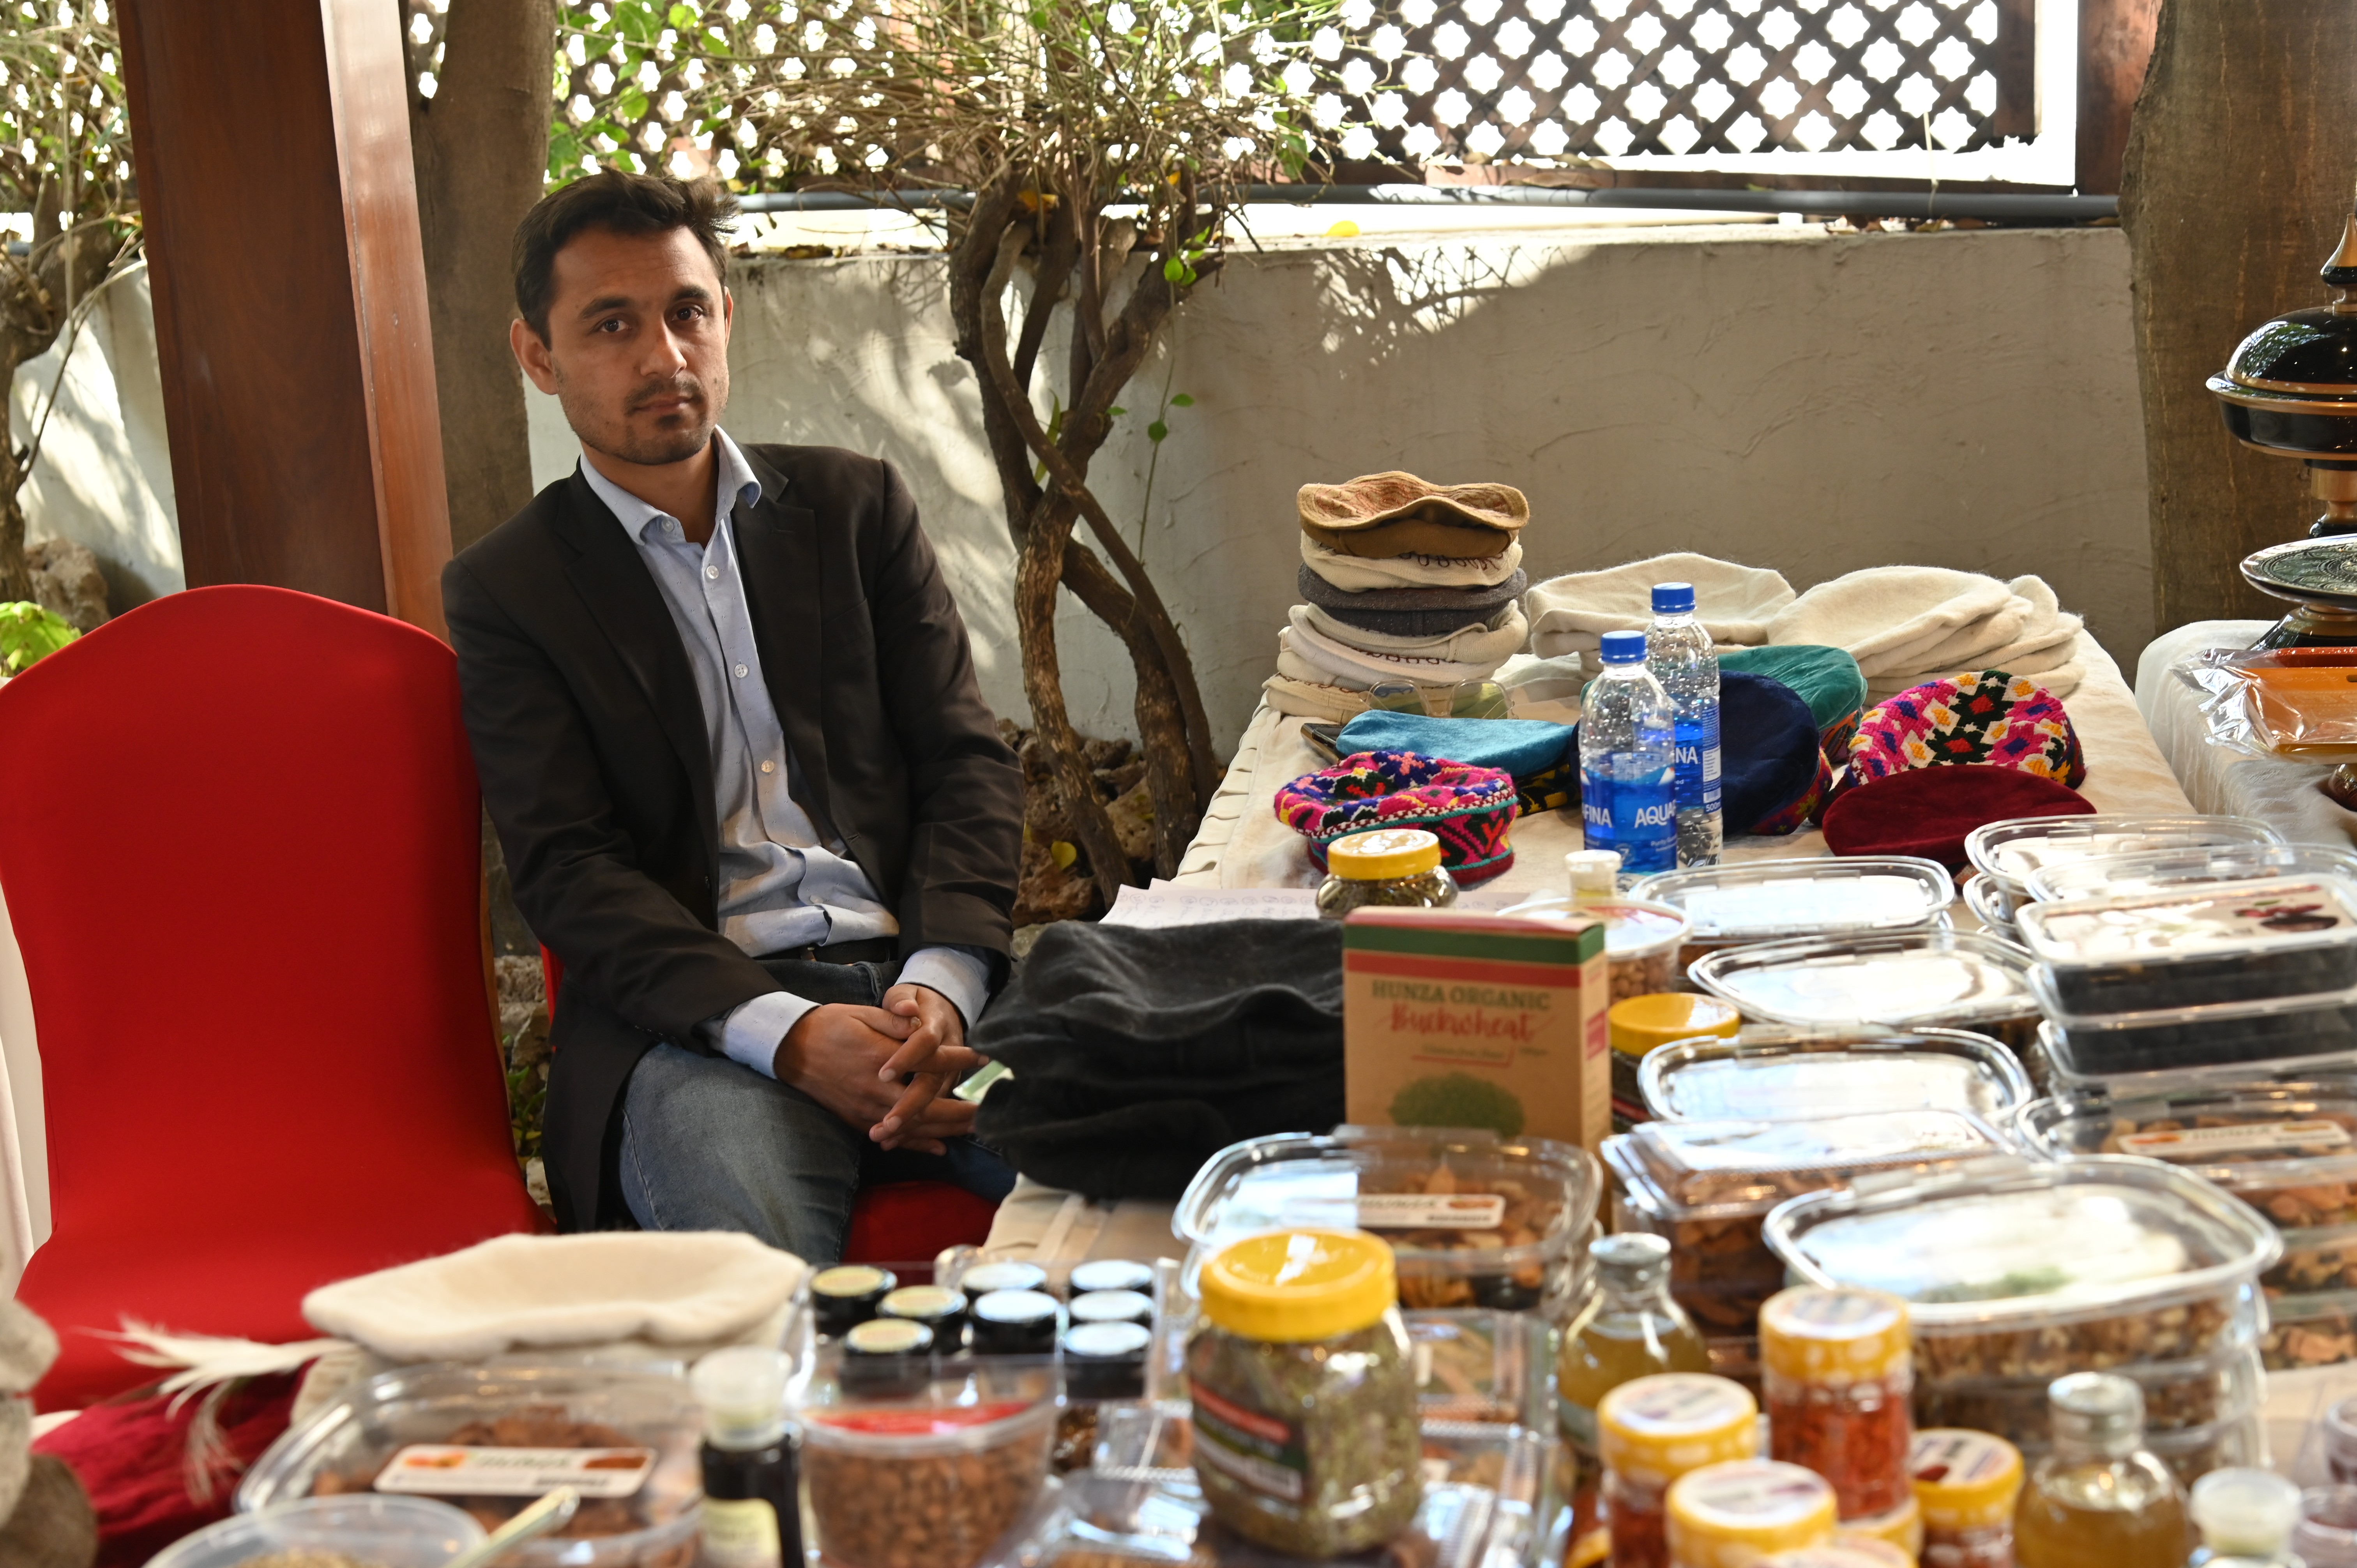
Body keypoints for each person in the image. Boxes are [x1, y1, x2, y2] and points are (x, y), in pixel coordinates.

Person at [443, 169, 1024, 1261]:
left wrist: (940, 986)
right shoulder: (510, 589)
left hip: (931, 1010)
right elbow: (569, 869)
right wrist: (791, 1035)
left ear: (725, 317)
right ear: (537, 357)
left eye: (687, 311)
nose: (664, 358)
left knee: (1154, 1175)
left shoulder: (857, 511)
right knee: (759, 1305)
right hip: (701, 1037)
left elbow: (967, 767)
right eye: (611, 326)